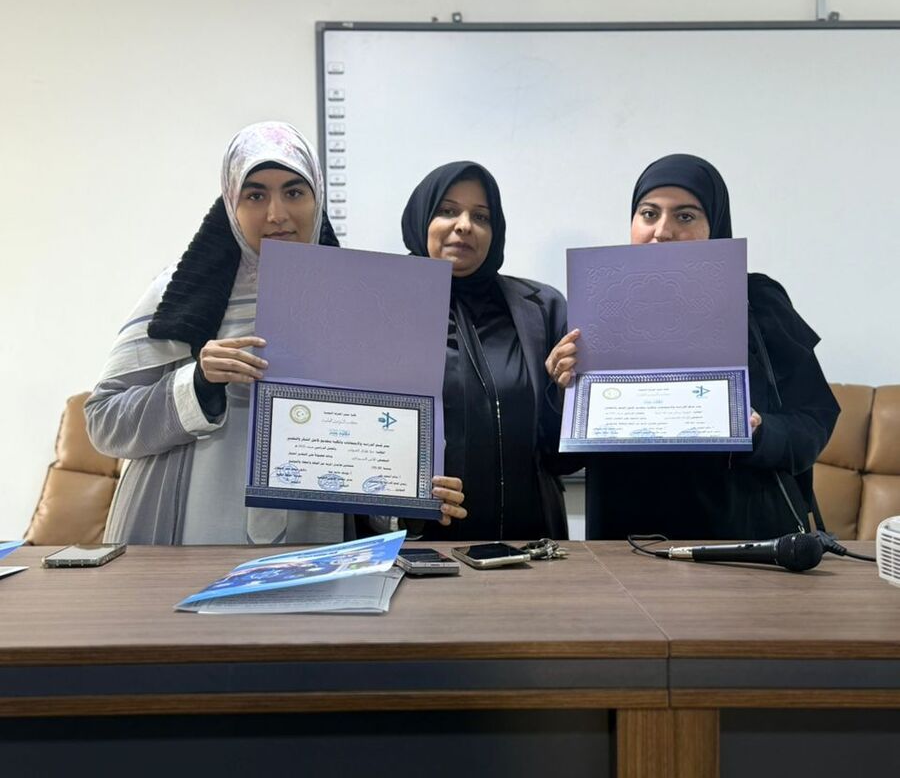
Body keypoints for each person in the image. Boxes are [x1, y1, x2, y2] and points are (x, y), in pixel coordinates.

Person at [86, 121, 465, 545]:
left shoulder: (360, 302)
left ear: (317, 198)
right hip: (190, 537)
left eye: (294, 192)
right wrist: (197, 383)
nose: (277, 214)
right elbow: (104, 421)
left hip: (313, 544)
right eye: (255, 195)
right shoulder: (179, 293)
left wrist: (410, 496)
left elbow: (366, 447)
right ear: (231, 203)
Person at [545, 153, 840, 541]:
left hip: (741, 541)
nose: (662, 231)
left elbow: (813, 421)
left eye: (685, 216)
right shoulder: (598, 308)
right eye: (649, 214)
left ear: (714, 224)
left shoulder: (757, 302)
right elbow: (558, 459)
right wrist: (562, 393)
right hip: (626, 541)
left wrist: (759, 432)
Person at [401, 160, 571, 540]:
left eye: (481, 216)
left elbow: (562, 459)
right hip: (428, 544)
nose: (464, 225)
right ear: (421, 218)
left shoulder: (543, 308)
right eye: (448, 211)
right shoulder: (384, 307)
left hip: (532, 546)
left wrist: (564, 394)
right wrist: (403, 490)